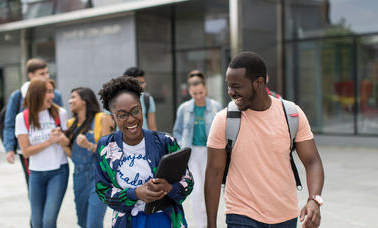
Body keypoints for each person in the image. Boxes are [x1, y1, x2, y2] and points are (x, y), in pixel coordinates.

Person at [205, 51, 324, 228]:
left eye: (237, 86)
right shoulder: (224, 120)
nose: (231, 92)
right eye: (228, 86)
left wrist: (314, 200)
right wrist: (211, 224)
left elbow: (313, 161)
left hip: (285, 216)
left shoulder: (291, 114)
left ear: (259, 82)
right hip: (241, 214)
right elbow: (214, 173)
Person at [95, 76, 194, 228]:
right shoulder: (106, 147)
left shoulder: (165, 142)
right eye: (122, 115)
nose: (131, 119)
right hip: (127, 223)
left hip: (165, 220)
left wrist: (170, 188)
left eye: (136, 111)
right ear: (112, 117)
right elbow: (103, 191)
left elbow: (188, 181)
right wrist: (134, 194)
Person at [15, 78, 69, 228]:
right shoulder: (22, 118)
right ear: (37, 94)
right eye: (48, 92)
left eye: (52, 91)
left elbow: (67, 144)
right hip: (36, 175)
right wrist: (49, 141)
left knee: (49, 221)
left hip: (58, 172)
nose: (52, 96)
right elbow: (26, 152)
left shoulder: (60, 113)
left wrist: (61, 139)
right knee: (37, 223)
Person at [3, 58, 63, 189]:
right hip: (29, 148)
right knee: (33, 186)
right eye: (42, 73)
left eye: (47, 73)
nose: (46, 76)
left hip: (52, 147)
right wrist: (9, 149)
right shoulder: (18, 95)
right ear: (31, 75)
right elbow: (9, 124)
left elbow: (61, 122)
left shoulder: (55, 94)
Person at [172, 70, 221, 228]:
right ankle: (201, 225)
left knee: (210, 189)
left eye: (201, 92)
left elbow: (221, 130)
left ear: (205, 89)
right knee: (197, 191)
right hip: (191, 153)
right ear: (190, 91)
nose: (198, 96)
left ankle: (210, 222)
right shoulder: (184, 109)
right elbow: (177, 131)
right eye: (195, 94)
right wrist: (181, 146)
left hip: (210, 152)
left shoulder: (215, 107)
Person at [62, 87, 114, 228]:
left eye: (73, 97)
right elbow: (73, 156)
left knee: (94, 224)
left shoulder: (101, 119)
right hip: (79, 176)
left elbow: (108, 153)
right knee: (83, 223)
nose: (70, 101)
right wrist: (62, 143)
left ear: (84, 101)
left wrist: (89, 145)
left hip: (98, 177)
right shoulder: (71, 124)